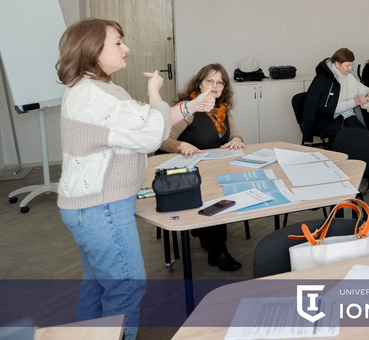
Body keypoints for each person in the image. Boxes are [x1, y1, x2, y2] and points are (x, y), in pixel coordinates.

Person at [56, 18, 213, 340]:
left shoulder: (98, 89)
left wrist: (191, 106)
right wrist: (155, 93)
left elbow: (145, 123)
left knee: (97, 285)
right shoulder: (95, 96)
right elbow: (150, 135)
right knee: (126, 287)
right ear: (92, 49)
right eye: (117, 42)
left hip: (93, 205)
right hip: (101, 207)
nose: (125, 48)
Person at [160, 63, 245, 271]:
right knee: (216, 193)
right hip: (187, 173)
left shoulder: (222, 109)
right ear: (199, 84)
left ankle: (205, 233)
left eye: (220, 83)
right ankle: (218, 251)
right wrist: (181, 145)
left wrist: (236, 140)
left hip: (213, 168)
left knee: (225, 186)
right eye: (210, 81)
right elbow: (162, 140)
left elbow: (235, 134)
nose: (215, 86)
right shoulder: (188, 109)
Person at [302, 47, 369, 144]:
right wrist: (354, 102)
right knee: (347, 138)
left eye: (351, 65)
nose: (350, 69)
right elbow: (328, 108)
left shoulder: (350, 77)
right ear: (337, 64)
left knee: (365, 136)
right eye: (347, 65)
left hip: (347, 115)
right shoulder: (322, 80)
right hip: (327, 119)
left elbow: (362, 89)